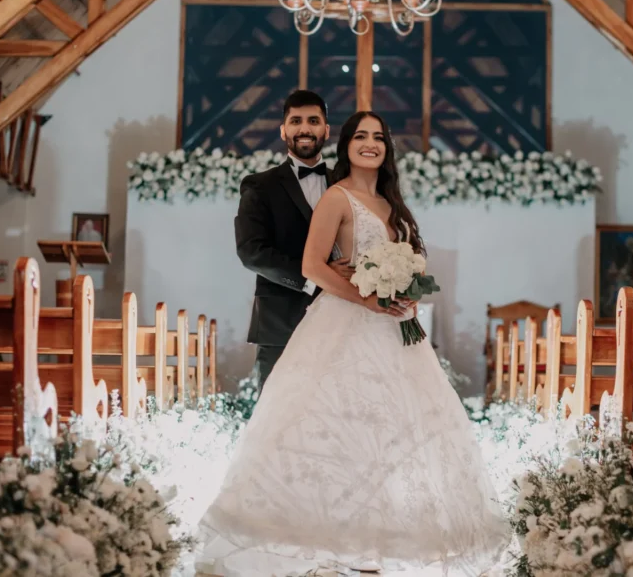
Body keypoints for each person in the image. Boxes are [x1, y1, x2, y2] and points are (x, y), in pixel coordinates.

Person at [198, 111, 509, 576]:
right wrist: (365, 298)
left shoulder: (392, 205)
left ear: (387, 148)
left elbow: (410, 265)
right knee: (340, 428)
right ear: (344, 145)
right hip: (344, 324)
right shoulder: (337, 198)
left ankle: (376, 548)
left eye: (378, 137)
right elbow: (312, 266)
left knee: (393, 433)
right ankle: (333, 549)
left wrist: (408, 294)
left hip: (396, 332)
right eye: (360, 136)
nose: (370, 144)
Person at [234, 90, 353, 389]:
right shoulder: (259, 186)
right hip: (280, 324)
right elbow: (252, 252)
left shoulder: (347, 183)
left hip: (345, 320)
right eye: (295, 120)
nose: (304, 128)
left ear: (326, 130)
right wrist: (316, 276)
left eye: (313, 121)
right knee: (278, 418)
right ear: (283, 130)